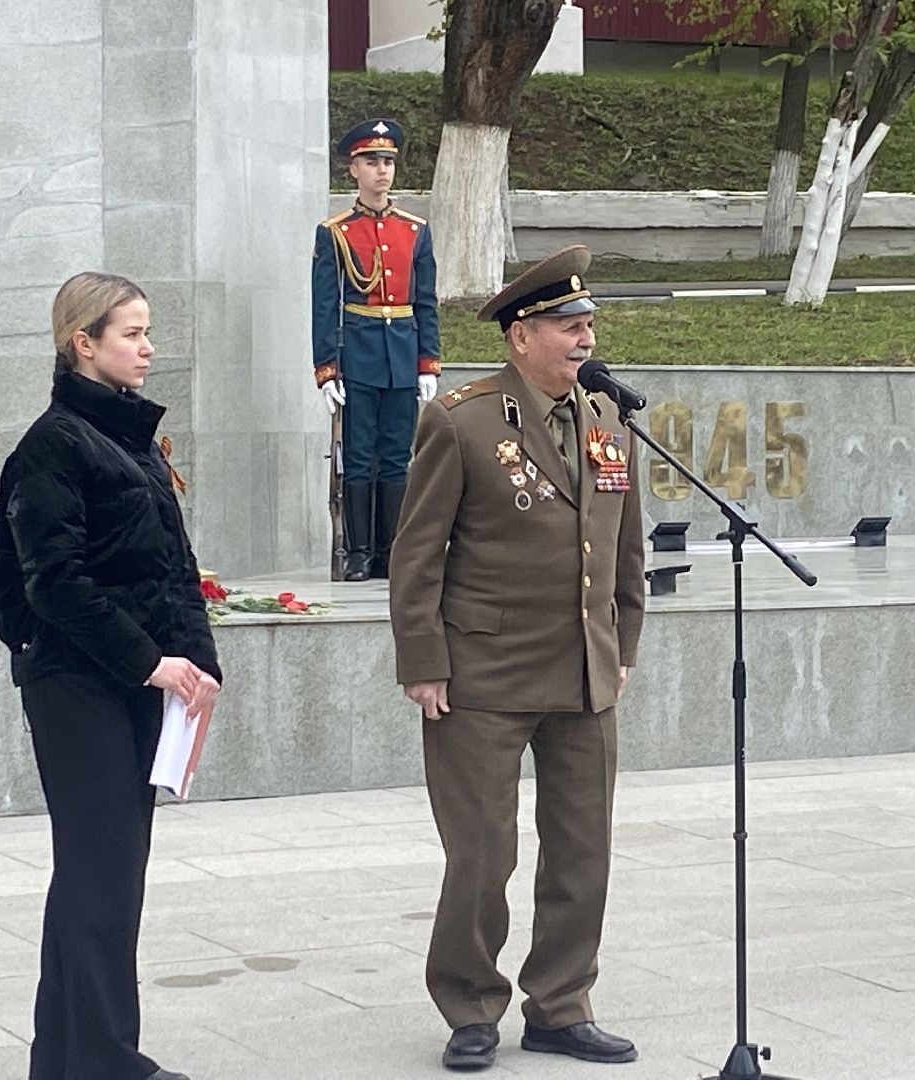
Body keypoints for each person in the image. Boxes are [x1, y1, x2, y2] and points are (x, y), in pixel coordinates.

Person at [389, 246, 646, 1071]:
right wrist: (422, 660)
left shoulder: (608, 420)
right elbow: (417, 554)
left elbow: (625, 554)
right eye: (569, 326)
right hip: (483, 676)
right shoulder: (461, 420)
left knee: (582, 849)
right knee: (483, 853)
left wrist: (623, 646)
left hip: (583, 670)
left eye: (589, 325)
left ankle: (561, 1005)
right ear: (521, 335)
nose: (584, 339)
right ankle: (469, 1004)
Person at [0, 272, 223, 1080]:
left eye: (147, 331)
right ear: (82, 343)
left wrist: (200, 664)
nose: (148, 347)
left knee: (107, 874)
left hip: (138, 685)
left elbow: (173, 570)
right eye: (130, 333)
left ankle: (70, 1057)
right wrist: (148, 660)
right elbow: (50, 584)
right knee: (101, 875)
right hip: (75, 684)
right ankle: (105, 1060)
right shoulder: (54, 445)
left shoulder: (130, 442)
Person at [312, 117, 442, 581]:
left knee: (396, 455)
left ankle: (392, 551)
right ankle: (360, 553)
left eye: (387, 161)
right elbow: (325, 304)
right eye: (372, 162)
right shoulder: (336, 232)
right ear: (354, 169)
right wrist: (326, 368)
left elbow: (424, 299)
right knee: (360, 454)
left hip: (403, 355)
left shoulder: (414, 230)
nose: (382, 171)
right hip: (360, 355)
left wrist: (428, 361)